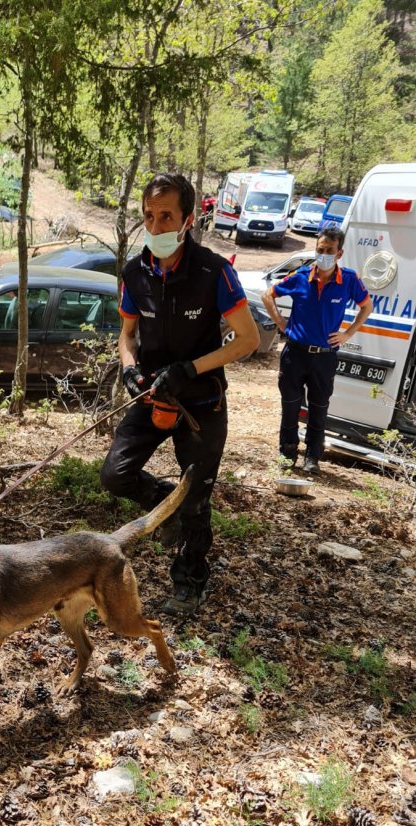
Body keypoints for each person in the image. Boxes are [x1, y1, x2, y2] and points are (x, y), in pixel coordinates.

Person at [100, 173, 259, 616]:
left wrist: (189, 368)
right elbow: (126, 336)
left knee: (197, 496)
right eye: (149, 216)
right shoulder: (134, 272)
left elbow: (247, 340)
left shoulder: (214, 272)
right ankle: (164, 505)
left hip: (202, 400)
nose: (155, 225)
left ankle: (188, 582)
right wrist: (129, 371)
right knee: (115, 474)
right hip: (151, 396)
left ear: (187, 219)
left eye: (166, 215)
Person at [261, 223, 373, 474]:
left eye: (328, 250)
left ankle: (312, 457)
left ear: (339, 253)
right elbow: (268, 294)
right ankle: (287, 453)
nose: (323, 254)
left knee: (319, 408)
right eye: (319, 249)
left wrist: (347, 334)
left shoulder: (350, 280)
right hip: (295, 354)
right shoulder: (301, 277)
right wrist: (280, 322)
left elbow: (367, 307)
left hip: (324, 358)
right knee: (290, 406)